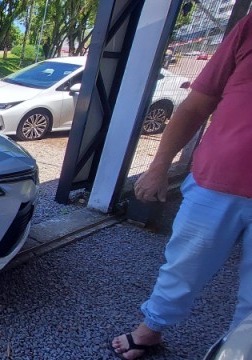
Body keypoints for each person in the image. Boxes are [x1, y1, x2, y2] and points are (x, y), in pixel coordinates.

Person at [111, 13, 252, 360]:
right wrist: (159, 166)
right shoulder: (249, 27)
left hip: (217, 181)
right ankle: (149, 330)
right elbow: (196, 105)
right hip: (217, 181)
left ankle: (238, 351)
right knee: (183, 266)